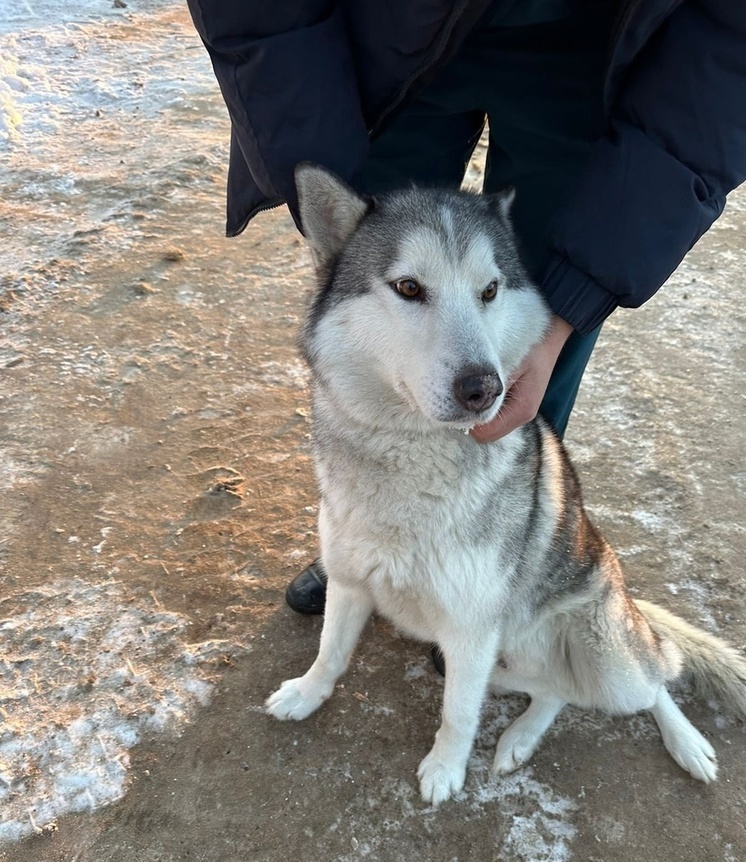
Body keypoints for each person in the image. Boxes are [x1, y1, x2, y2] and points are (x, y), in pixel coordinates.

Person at [186, 0, 746, 618]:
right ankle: (370, 531)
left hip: (599, 43)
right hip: (376, 31)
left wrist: (570, 297)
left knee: (536, 311)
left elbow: (727, 53)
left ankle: (495, 546)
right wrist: (327, 187)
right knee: (381, 301)